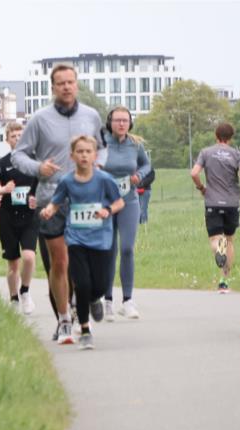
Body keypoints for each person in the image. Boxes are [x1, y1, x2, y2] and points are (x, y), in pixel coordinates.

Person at [12, 63, 106, 342]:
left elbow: (103, 149)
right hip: (51, 198)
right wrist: (38, 167)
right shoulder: (40, 119)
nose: (66, 86)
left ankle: (89, 297)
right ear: (52, 87)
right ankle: (64, 319)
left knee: (86, 261)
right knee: (61, 262)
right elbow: (19, 156)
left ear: (77, 84)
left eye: (70, 82)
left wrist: (98, 168)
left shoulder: (91, 116)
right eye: (61, 83)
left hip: (85, 200)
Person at [40, 135, 124, 349]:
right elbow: (57, 202)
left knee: (100, 285)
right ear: (72, 156)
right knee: (82, 284)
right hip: (76, 239)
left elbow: (119, 202)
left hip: (101, 240)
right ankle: (85, 330)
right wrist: (49, 210)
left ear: (95, 155)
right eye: (80, 152)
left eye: (88, 151)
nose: (84, 155)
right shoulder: (67, 180)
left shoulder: (104, 179)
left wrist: (108, 210)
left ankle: (96, 300)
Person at [190, 122, 240, 294]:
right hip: (232, 204)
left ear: (216, 135)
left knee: (215, 239)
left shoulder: (206, 152)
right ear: (231, 137)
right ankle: (224, 281)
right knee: (229, 241)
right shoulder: (236, 155)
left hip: (212, 202)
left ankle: (218, 248)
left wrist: (202, 188)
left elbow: (194, 173)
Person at [101, 106, 152, 320]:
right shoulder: (101, 143)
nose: (121, 124)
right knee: (109, 250)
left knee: (128, 248)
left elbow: (147, 165)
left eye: (125, 120)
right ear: (110, 122)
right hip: (105, 201)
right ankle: (108, 300)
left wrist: (139, 175)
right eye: (117, 120)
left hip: (129, 200)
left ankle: (128, 300)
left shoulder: (135, 144)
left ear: (130, 123)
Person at [0, 120, 40, 314]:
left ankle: (25, 291)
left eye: (21, 135)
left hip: (30, 216)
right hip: (9, 217)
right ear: (7, 140)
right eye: (13, 136)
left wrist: (38, 197)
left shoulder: (34, 161)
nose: (17, 139)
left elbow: (44, 183)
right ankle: (13, 298)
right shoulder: (1, 164)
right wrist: (3, 189)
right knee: (13, 264)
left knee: (28, 256)